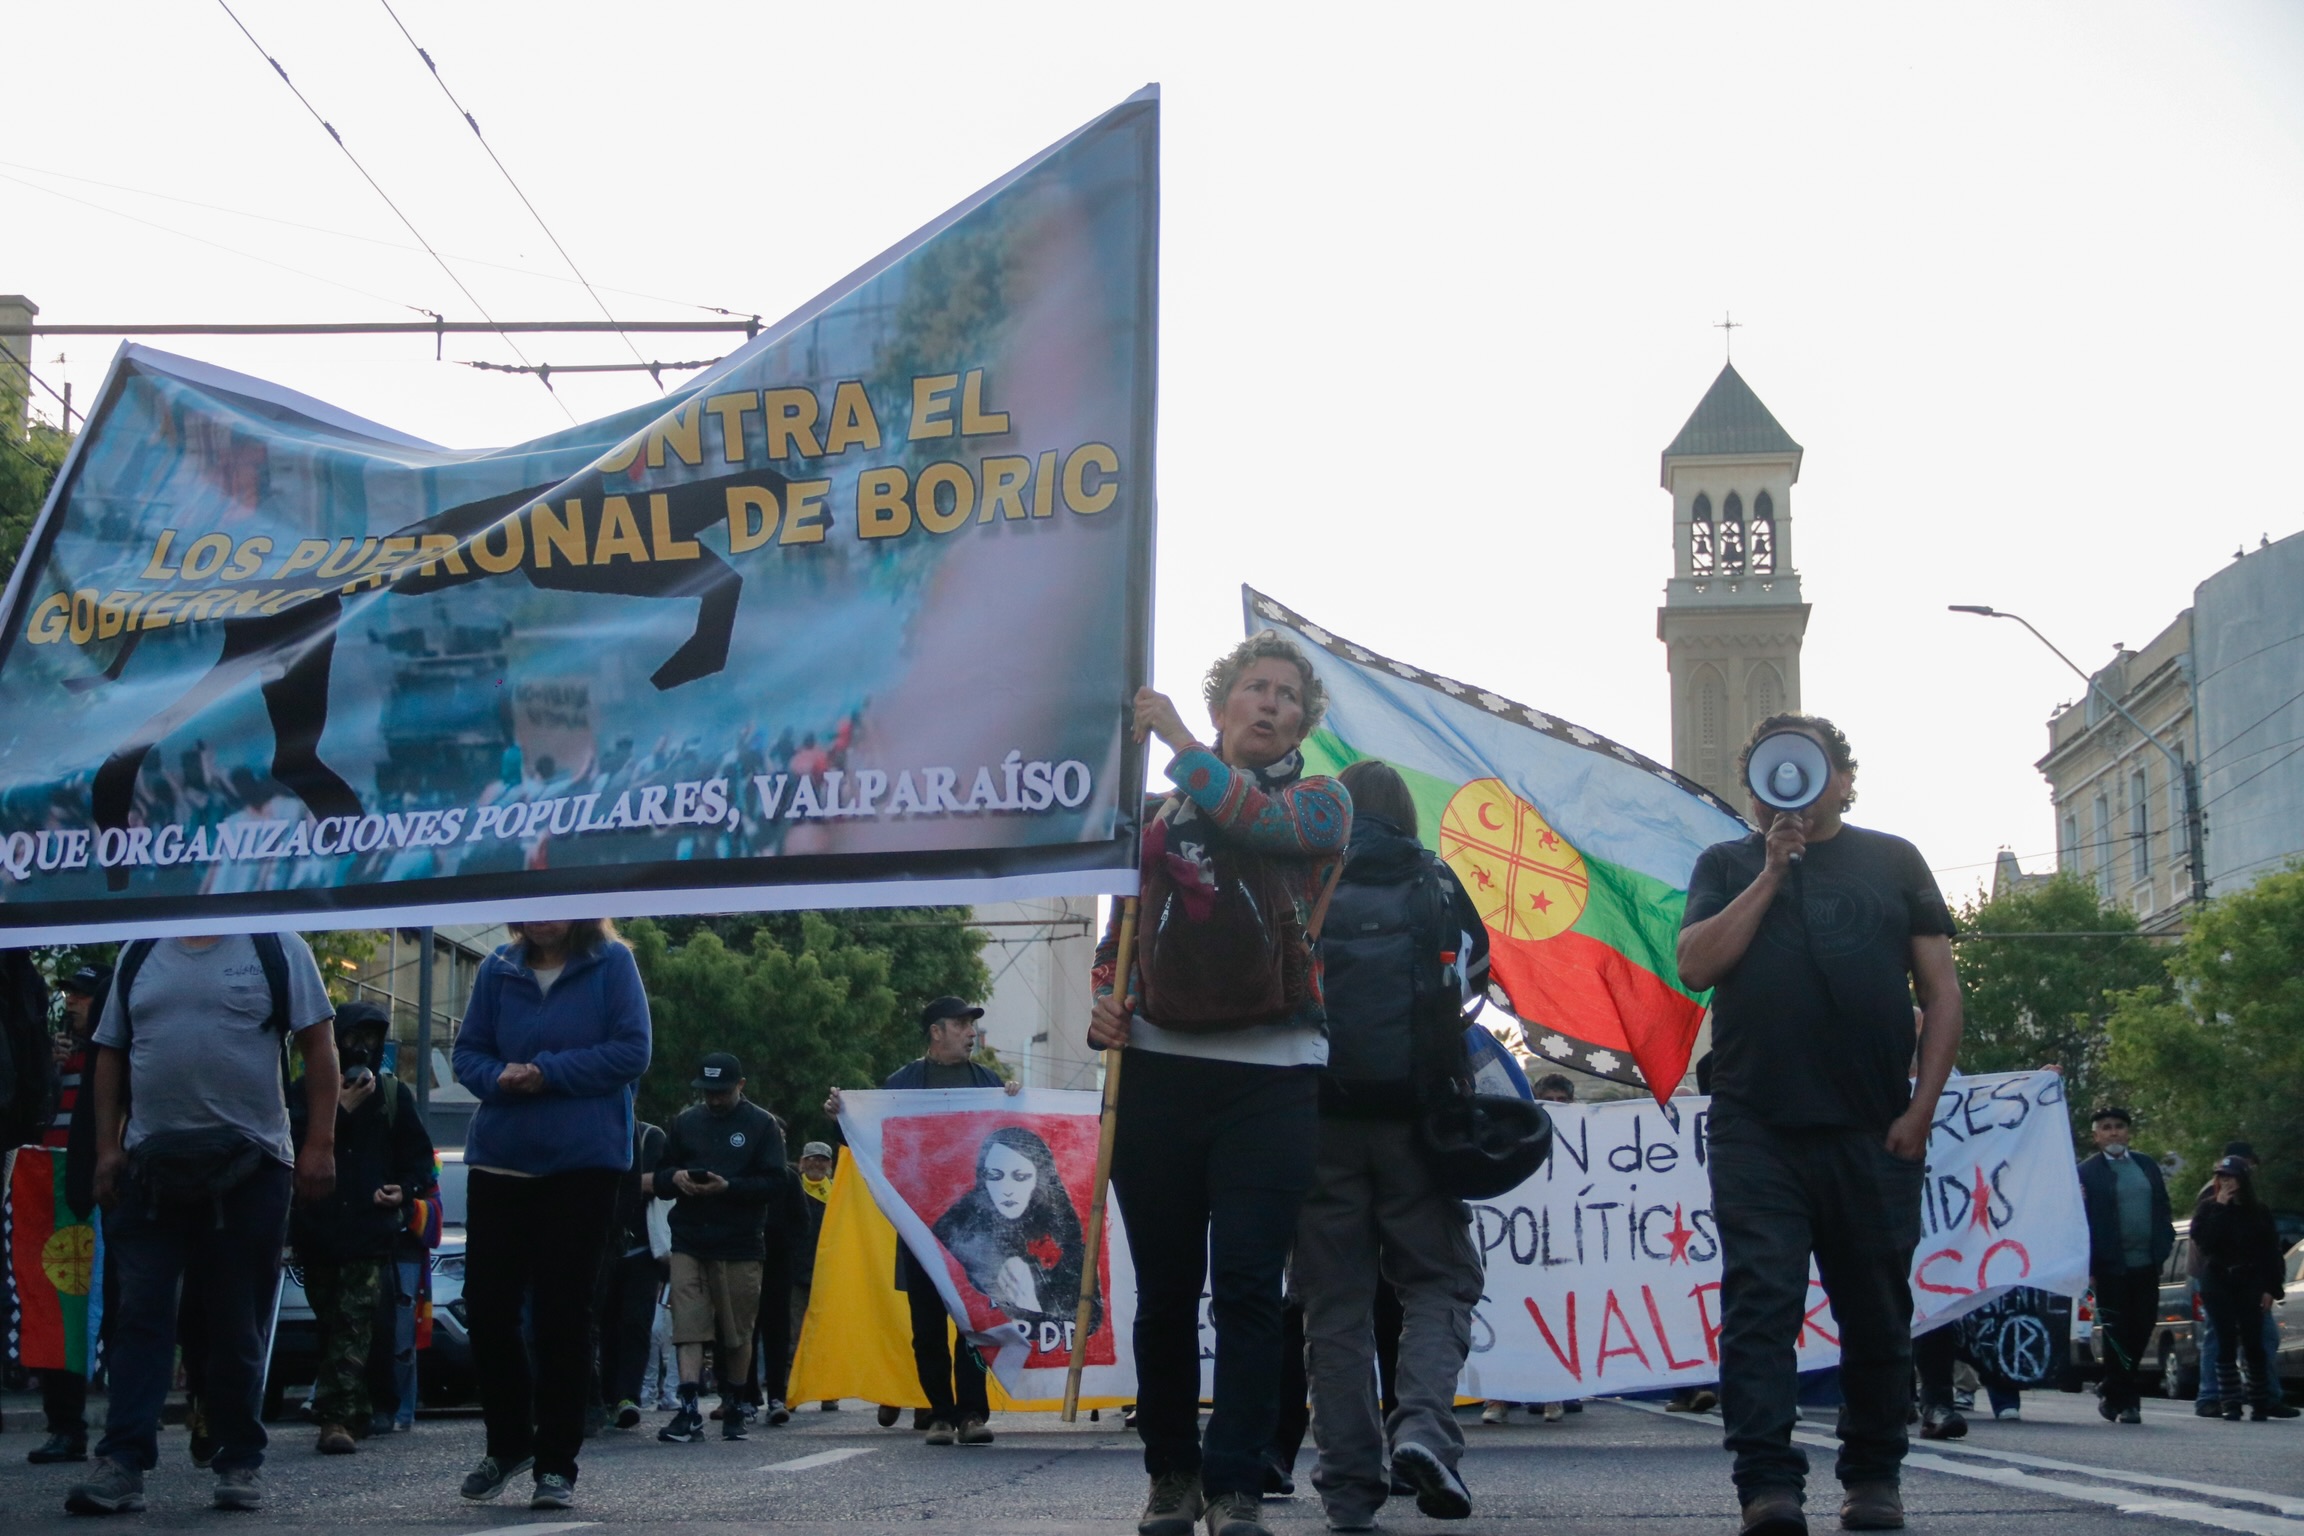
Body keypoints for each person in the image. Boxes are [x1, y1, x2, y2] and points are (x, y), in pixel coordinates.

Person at [1087, 633, 1352, 1536]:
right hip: (1158, 1073)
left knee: (1246, 1288)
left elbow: (1258, 826)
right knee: (1165, 1292)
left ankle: (1237, 1482)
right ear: (1223, 702)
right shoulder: (1153, 815)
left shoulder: (1323, 805)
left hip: (1271, 1079)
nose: (1270, 704)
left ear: (1303, 722)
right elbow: (1117, 927)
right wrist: (1102, 1009)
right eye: (1254, 688)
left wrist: (1179, 749)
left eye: (1287, 695)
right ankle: (1171, 1474)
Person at [1676, 715, 1960, 1536]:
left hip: (1872, 1129)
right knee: (1761, 1304)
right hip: (1756, 1126)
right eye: (1772, 772)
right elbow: (1697, 964)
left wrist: (1919, 1110)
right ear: (1754, 788)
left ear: (1842, 778)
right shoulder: (1726, 863)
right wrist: (1769, 873)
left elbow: (1941, 992)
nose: (1793, 787)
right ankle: (1768, 1486)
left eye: (1813, 769)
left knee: (1875, 1309)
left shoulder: (1895, 860)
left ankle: (1873, 1476)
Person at [65, 934, 340, 1517]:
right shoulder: (141, 951)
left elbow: (319, 1044)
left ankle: (238, 1458)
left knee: (236, 1321)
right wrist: (107, 1150)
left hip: (250, 1166)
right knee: (139, 1314)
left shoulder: (276, 946)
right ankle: (122, 1462)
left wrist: (320, 1143)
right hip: (151, 1168)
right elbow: (110, 1051)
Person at [1292, 758, 1486, 1529]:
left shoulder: (1310, 875)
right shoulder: (1433, 880)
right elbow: (1473, 982)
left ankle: (1346, 1487)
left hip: (1318, 1121)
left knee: (1332, 1305)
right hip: (1416, 1121)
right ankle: (1423, 1431)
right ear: (1406, 814)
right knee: (1438, 1281)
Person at [452, 919, 651, 1513]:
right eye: (530, 907)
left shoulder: (612, 963)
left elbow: (632, 1051)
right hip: (500, 1163)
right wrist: (497, 1076)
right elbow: (468, 1054)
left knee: (564, 1315)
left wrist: (548, 1072)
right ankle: (507, 1443)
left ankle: (556, 1463)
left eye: (555, 905)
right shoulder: (497, 968)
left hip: (582, 1166)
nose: (541, 919)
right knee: (488, 1311)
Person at [826, 996, 1019, 1447]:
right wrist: (841, 1117)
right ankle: (939, 1414)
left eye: (972, 1025)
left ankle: (972, 1413)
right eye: (961, 1024)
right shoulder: (902, 1083)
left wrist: (1015, 1099)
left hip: (977, 1230)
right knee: (927, 1325)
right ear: (936, 1031)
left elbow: (1013, 1135)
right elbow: (869, 1137)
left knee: (973, 1323)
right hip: (920, 1227)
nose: (971, 1032)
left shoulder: (987, 1081)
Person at [287, 1001, 436, 1454]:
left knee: (356, 1322)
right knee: (332, 1323)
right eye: (353, 1039)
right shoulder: (302, 1094)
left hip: (370, 1233)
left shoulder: (393, 1096)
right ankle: (357, 1405)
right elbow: (287, 1149)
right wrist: (336, 1111)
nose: (363, 1049)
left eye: (372, 1039)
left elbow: (420, 1164)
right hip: (318, 1230)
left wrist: (403, 1192)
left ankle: (336, 1419)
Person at [652, 1052, 785, 1444]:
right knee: (687, 1324)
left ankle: (735, 1400)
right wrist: (675, 1177)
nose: (713, 1099)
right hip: (690, 1237)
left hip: (739, 1241)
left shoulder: (761, 1125)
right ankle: (689, 1407)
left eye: (722, 1092)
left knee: (737, 1330)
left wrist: (729, 1186)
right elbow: (660, 1177)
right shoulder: (686, 1122)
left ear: (740, 1087)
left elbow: (776, 1182)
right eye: (707, 1092)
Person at [27, 965, 106, 1466]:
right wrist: (46, 1070)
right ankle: (65, 1425)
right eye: (69, 994)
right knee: (55, 1308)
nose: (72, 1002)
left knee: (107, 1308)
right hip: (46, 1191)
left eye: (83, 995)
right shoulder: (48, 1054)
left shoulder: (117, 1053)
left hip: (101, 1191)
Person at [934, 1126, 1097, 1336]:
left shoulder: (1062, 1230)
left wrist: (1031, 1303)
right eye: (994, 1176)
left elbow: (1089, 1322)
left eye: (1020, 1176)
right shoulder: (956, 1227)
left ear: (1039, 1178)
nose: (1007, 1188)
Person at [2075, 1105, 2173, 1428]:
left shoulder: (2146, 1166)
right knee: (2118, 1332)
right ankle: (2128, 1402)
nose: (2113, 1132)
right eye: (2106, 1127)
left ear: (2128, 1132)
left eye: (2119, 1126)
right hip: (2109, 1265)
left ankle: (2111, 1386)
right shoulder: (2086, 1172)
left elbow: (2162, 1208)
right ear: (2096, 1135)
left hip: (2147, 1263)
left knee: (2142, 1327)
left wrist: (2164, 1244)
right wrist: (2087, 1264)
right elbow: (2079, 1220)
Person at [2192, 1142, 2297, 1419]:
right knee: (2224, 1340)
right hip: (2218, 1280)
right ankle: (2227, 1401)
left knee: (2255, 1341)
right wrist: (2221, 1208)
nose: (2226, 1183)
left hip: (2250, 1280)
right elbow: (2205, 1242)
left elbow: (2270, 1252)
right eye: (2222, 1178)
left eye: (2232, 1178)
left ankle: (2262, 1401)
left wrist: (2271, 1288)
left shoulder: (2257, 1211)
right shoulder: (2208, 1207)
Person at [598, 1114, 670, 1430]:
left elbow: (660, 1181)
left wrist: (615, 1183)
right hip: (602, 1248)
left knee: (636, 1323)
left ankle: (628, 1397)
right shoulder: (594, 1129)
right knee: (604, 1324)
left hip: (642, 1248)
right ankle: (606, 1397)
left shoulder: (650, 1136)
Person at [794, 1141, 835, 1410]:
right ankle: (790, 1391)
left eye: (822, 1160)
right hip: (796, 1272)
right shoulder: (793, 1190)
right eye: (812, 1159)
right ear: (802, 1162)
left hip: (827, 1274)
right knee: (793, 1333)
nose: (817, 1164)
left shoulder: (837, 1194)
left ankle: (829, 1391)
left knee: (827, 1334)